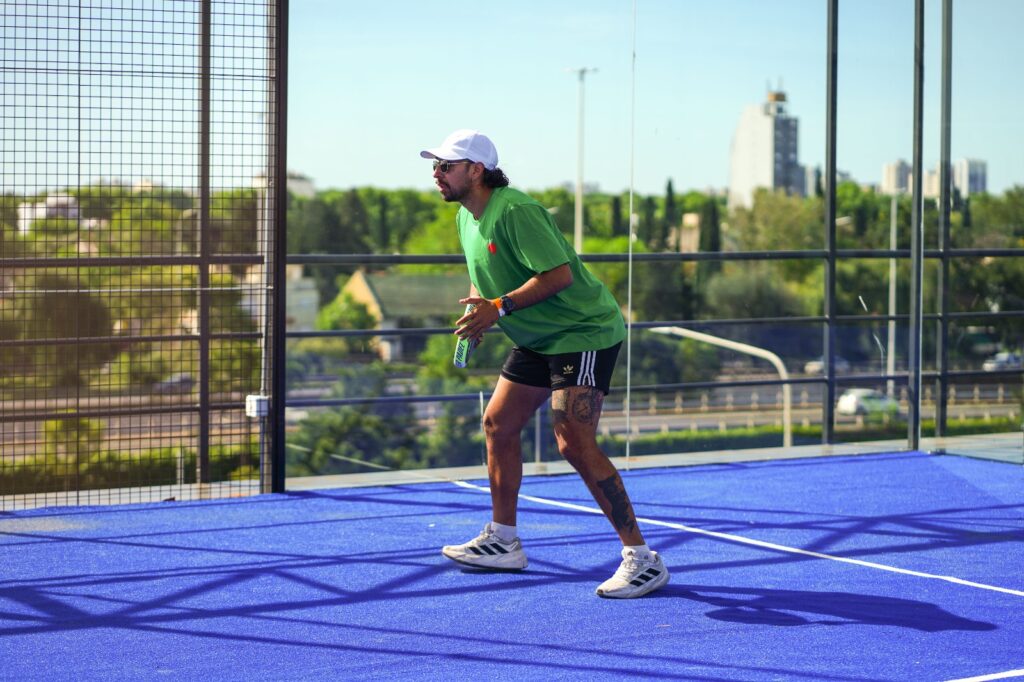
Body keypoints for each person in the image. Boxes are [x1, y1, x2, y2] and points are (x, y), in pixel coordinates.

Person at [419, 129, 669, 599]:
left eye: (446, 165)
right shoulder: (467, 217)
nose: (436, 173)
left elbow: (558, 275)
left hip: (582, 331)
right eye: (434, 165)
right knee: (497, 423)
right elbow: (485, 277)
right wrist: (479, 310)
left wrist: (500, 308)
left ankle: (642, 559)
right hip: (537, 335)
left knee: (572, 441)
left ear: (476, 170)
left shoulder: (516, 210)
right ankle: (504, 542)